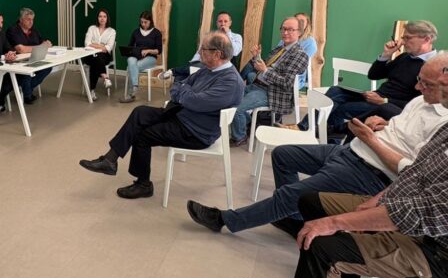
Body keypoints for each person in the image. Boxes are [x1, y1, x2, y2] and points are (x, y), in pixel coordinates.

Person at [186, 54, 448, 242]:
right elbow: (404, 130)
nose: (417, 87)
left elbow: (410, 172)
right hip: (352, 151)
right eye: (419, 80)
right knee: (283, 155)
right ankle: (294, 218)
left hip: (372, 172)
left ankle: (226, 220)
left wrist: (372, 140)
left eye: (426, 83)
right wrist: (383, 123)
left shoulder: (443, 125)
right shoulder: (420, 101)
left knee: (291, 193)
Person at [280, 62, 448, 278]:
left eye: (431, 82)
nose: (418, 87)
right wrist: (378, 200)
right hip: (411, 217)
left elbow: (427, 211)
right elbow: (417, 173)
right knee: (312, 203)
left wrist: (336, 223)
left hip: (436, 251)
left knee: (322, 246)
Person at [78, 32, 244, 199]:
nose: (200, 52)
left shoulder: (230, 82)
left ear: (217, 54)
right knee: (140, 112)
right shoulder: (208, 70)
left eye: (203, 49)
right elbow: (179, 85)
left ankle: (143, 185)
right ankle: (110, 160)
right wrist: (185, 92)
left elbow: (194, 101)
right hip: (181, 115)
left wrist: (185, 92)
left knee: (142, 136)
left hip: (196, 132)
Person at [303, 20, 438, 132]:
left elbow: (421, 103)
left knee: (342, 109)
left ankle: (327, 136)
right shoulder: (405, 57)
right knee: (335, 91)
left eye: (408, 38)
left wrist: (385, 101)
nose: (402, 42)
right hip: (377, 97)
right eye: (403, 37)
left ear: (427, 39)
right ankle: (306, 127)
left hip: (390, 106)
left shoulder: (433, 67)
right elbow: (373, 75)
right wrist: (386, 55)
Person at [229, 16, 309, 146]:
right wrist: (257, 57)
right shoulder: (280, 49)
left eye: (290, 30)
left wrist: (265, 71)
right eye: (283, 29)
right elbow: (265, 66)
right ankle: (247, 123)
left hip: (272, 92)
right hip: (257, 85)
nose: (285, 32)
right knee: (229, 97)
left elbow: (287, 82)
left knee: (237, 108)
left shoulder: (300, 55)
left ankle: (240, 137)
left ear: (299, 32)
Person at [159, 11, 242, 82]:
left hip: (219, 65)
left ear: (230, 23)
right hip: (203, 63)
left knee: (193, 71)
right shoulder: (210, 36)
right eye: (220, 21)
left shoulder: (236, 37)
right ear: (217, 23)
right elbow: (200, 52)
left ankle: (173, 71)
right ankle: (179, 81)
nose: (223, 24)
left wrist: (227, 34)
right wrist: (193, 62)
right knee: (180, 78)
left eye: (225, 21)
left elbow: (235, 52)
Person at [5, 8, 53, 105]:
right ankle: (27, 94)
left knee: (48, 67)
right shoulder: (13, 30)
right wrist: (41, 46)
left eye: (32, 19)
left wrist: (45, 44)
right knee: (27, 71)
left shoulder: (34, 30)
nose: (31, 22)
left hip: (34, 59)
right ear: (21, 20)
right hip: (18, 62)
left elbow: (44, 42)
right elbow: (20, 49)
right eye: (28, 19)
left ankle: (27, 89)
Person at [120, 11, 163, 103]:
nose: (143, 24)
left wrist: (148, 51)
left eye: (145, 22)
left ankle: (131, 94)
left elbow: (159, 51)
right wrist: (131, 51)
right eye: (141, 22)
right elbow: (130, 46)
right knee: (130, 59)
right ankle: (135, 87)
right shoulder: (136, 32)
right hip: (137, 56)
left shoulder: (156, 33)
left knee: (132, 67)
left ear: (150, 21)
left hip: (151, 58)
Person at [82, 9, 116, 101]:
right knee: (95, 58)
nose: (102, 18)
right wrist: (102, 46)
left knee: (96, 59)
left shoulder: (112, 31)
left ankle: (92, 91)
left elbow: (108, 47)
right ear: (97, 18)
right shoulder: (91, 28)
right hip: (90, 55)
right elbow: (87, 43)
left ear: (107, 18)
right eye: (100, 16)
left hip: (105, 56)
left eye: (104, 16)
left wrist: (95, 45)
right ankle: (105, 76)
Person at [280, 12, 317, 89]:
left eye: (302, 21)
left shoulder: (310, 42)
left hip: (293, 74)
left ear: (307, 25)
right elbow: (276, 55)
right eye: (297, 20)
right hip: (277, 68)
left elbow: (300, 63)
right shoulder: (287, 37)